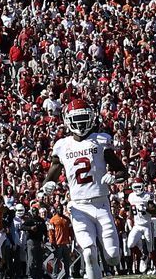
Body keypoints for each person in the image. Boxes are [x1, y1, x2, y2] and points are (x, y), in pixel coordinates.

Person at [45, 99, 128, 279]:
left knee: (113, 257)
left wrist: (114, 177)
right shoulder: (62, 145)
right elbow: (52, 174)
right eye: (77, 118)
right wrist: (47, 186)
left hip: (101, 204)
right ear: (67, 120)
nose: (81, 122)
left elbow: (123, 171)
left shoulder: (100, 140)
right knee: (89, 253)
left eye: (84, 117)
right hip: (78, 207)